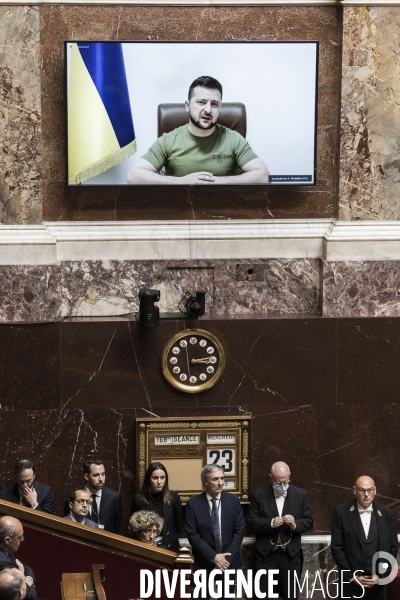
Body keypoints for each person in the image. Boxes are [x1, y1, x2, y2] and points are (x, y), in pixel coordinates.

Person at [127, 75, 270, 185]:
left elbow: (263, 176)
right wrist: (181, 182)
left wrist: (218, 182)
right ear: (187, 105)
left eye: (214, 104)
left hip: (224, 208)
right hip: (181, 209)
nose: (208, 110)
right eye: (201, 102)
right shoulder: (169, 140)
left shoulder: (233, 139)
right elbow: (134, 176)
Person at [247, 461, 313, 600]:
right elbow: (251, 522)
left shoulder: (300, 494)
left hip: (290, 556)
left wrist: (294, 524)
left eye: (285, 482)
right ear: (271, 477)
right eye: (278, 483)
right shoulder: (258, 495)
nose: (282, 486)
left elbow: (308, 522)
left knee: (291, 596)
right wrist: (270, 522)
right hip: (265, 556)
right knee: (262, 596)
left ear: (289, 475)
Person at [331, 475, 398, 600]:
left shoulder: (387, 514)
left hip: (378, 584)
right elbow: (336, 547)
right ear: (354, 490)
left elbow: (393, 547)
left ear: (375, 490)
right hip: (351, 583)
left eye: (370, 490)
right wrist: (351, 576)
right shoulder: (341, 512)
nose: (366, 494)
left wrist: (381, 576)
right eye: (362, 490)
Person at [185, 464, 244, 597]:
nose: (220, 483)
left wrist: (224, 561)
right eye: (215, 479)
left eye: (222, 478)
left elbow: (239, 531)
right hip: (204, 564)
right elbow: (192, 535)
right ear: (205, 481)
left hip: (229, 563)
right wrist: (214, 557)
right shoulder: (193, 504)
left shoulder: (233, 501)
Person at [131, 462, 182, 551]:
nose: (159, 482)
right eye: (155, 478)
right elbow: (134, 528)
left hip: (170, 546)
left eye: (162, 478)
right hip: (147, 547)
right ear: (148, 479)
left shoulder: (174, 497)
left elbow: (178, 524)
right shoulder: (139, 499)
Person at [63, 459, 122, 533]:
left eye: (103, 474)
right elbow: (68, 524)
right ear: (86, 476)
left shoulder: (114, 497)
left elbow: (116, 526)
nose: (101, 479)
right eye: (96, 475)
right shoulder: (72, 499)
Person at [0, 517, 36, 600]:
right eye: (19, 537)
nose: (23, 539)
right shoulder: (4, 563)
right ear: (8, 540)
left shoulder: (4, 549)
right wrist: (23, 578)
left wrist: (29, 579)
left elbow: (26, 567)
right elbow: (31, 595)